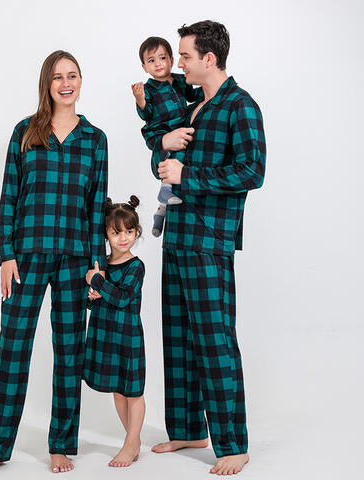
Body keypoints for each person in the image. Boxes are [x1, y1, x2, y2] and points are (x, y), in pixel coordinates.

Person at [0, 50, 108, 477]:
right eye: (57, 77)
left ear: (80, 82)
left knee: (69, 352)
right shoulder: (25, 131)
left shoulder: (95, 139)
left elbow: (96, 207)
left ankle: (61, 445)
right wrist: (6, 254)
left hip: (75, 260)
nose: (66, 83)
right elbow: (9, 196)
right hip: (26, 256)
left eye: (72, 76)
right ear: (47, 83)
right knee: (12, 350)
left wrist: (97, 265)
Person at [148, 21, 266, 475]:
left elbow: (252, 171)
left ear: (209, 58)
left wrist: (187, 176)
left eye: (184, 55)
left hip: (209, 240)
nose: (177, 63)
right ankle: (187, 430)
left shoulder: (241, 105)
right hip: (177, 236)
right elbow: (165, 161)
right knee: (178, 337)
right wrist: (163, 149)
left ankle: (233, 444)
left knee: (215, 342)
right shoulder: (191, 106)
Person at [83, 196, 146, 468]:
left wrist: (97, 281)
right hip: (106, 335)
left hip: (127, 336)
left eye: (129, 232)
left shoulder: (136, 266)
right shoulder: (102, 265)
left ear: (136, 232)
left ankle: (130, 444)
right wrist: (92, 294)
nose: (123, 238)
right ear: (106, 235)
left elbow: (123, 298)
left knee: (133, 392)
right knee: (118, 391)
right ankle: (133, 439)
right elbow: (93, 301)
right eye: (116, 232)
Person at [131, 36, 202, 237]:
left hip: (179, 126)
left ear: (171, 60)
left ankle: (160, 212)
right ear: (144, 67)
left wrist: (210, 89)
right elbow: (146, 114)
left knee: (181, 160)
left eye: (162, 58)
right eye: (151, 60)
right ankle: (165, 190)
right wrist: (140, 100)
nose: (158, 64)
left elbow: (193, 95)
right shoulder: (148, 89)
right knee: (174, 157)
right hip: (160, 130)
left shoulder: (180, 80)